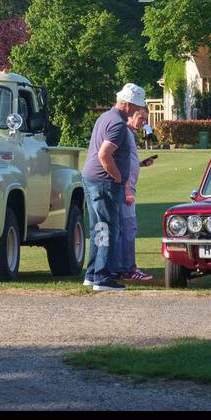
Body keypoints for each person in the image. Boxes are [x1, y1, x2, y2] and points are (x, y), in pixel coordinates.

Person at [80, 83, 146, 292]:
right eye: (136, 107)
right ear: (127, 104)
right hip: (104, 181)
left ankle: (92, 274)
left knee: (99, 227)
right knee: (109, 228)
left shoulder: (105, 117)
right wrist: (118, 178)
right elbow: (104, 154)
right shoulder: (117, 123)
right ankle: (103, 277)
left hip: (91, 178)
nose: (138, 111)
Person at [117, 107, 158, 282]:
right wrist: (127, 189)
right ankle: (128, 270)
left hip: (126, 187)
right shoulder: (124, 132)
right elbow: (118, 162)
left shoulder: (128, 133)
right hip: (125, 189)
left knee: (124, 229)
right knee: (128, 228)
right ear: (131, 115)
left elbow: (127, 161)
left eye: (145, 119)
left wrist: (140, 164)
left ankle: (122, 268)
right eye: (141, 118)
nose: (143, 122)